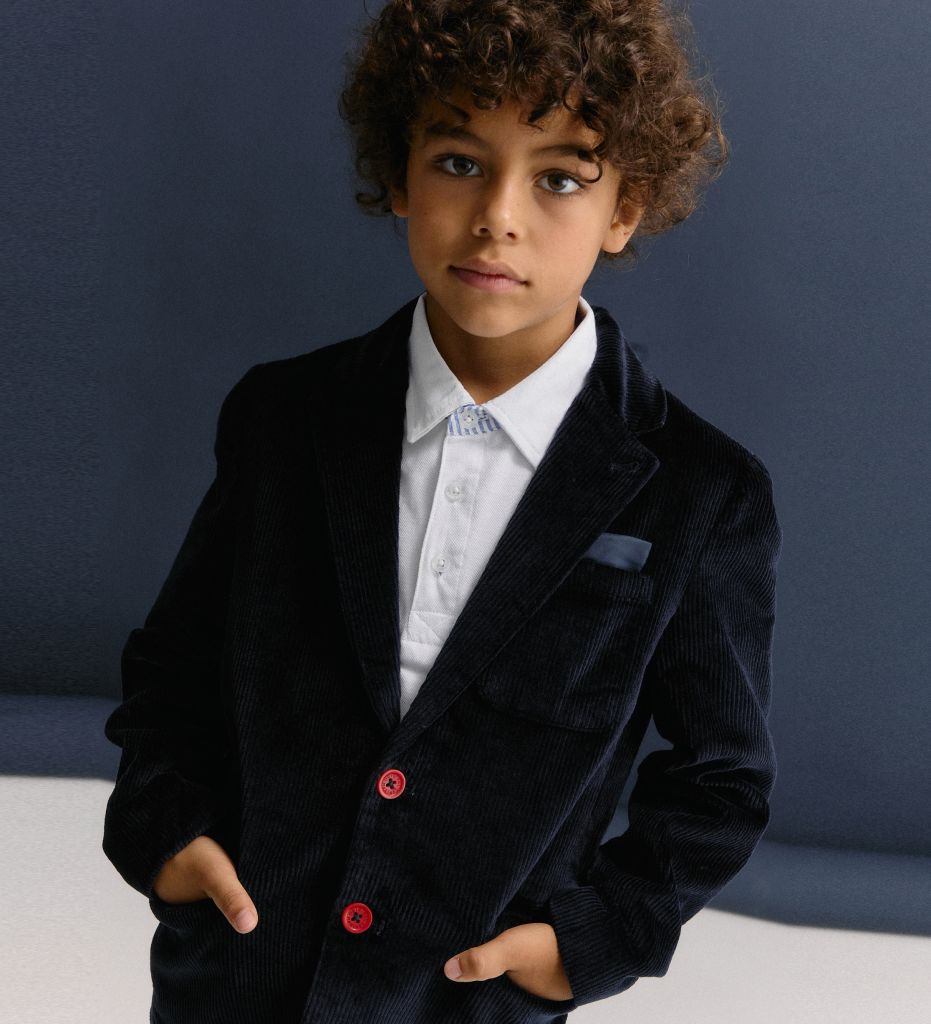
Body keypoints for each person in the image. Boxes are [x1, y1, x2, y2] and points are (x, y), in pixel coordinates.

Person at [102, 2, 782, 1022]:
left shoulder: (699, 491)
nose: (498, 215)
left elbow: (719, 778)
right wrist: (165, 831)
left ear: (626, 208)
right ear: (400, 172)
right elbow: (175, 668)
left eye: (559, 177)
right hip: (237, 982)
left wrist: (594, 938)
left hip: (466, 1001)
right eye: (459, 161)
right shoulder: (285, 417)